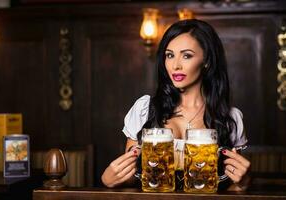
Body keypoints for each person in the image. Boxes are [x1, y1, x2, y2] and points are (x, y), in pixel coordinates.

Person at [101, 19, 250, 190]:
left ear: (207, 60)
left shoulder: (230, 117)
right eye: (169, 55)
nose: (175, 65)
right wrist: (109, 179)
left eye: (187, 55)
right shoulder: (144, 108)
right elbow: (133, 178)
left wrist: (244, 181)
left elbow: (233, 186)